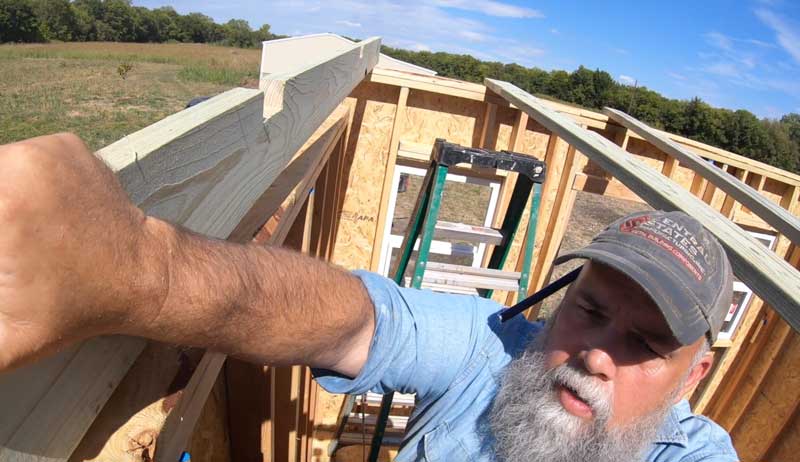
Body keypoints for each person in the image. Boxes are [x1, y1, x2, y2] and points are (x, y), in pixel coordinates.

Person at [0, 133, 739, 462]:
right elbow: (357, 318)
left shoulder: (696, 456)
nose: (595, 356)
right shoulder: (497, 349)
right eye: (592, 311)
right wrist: (146, 271)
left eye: (644, 344)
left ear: (694, 376)